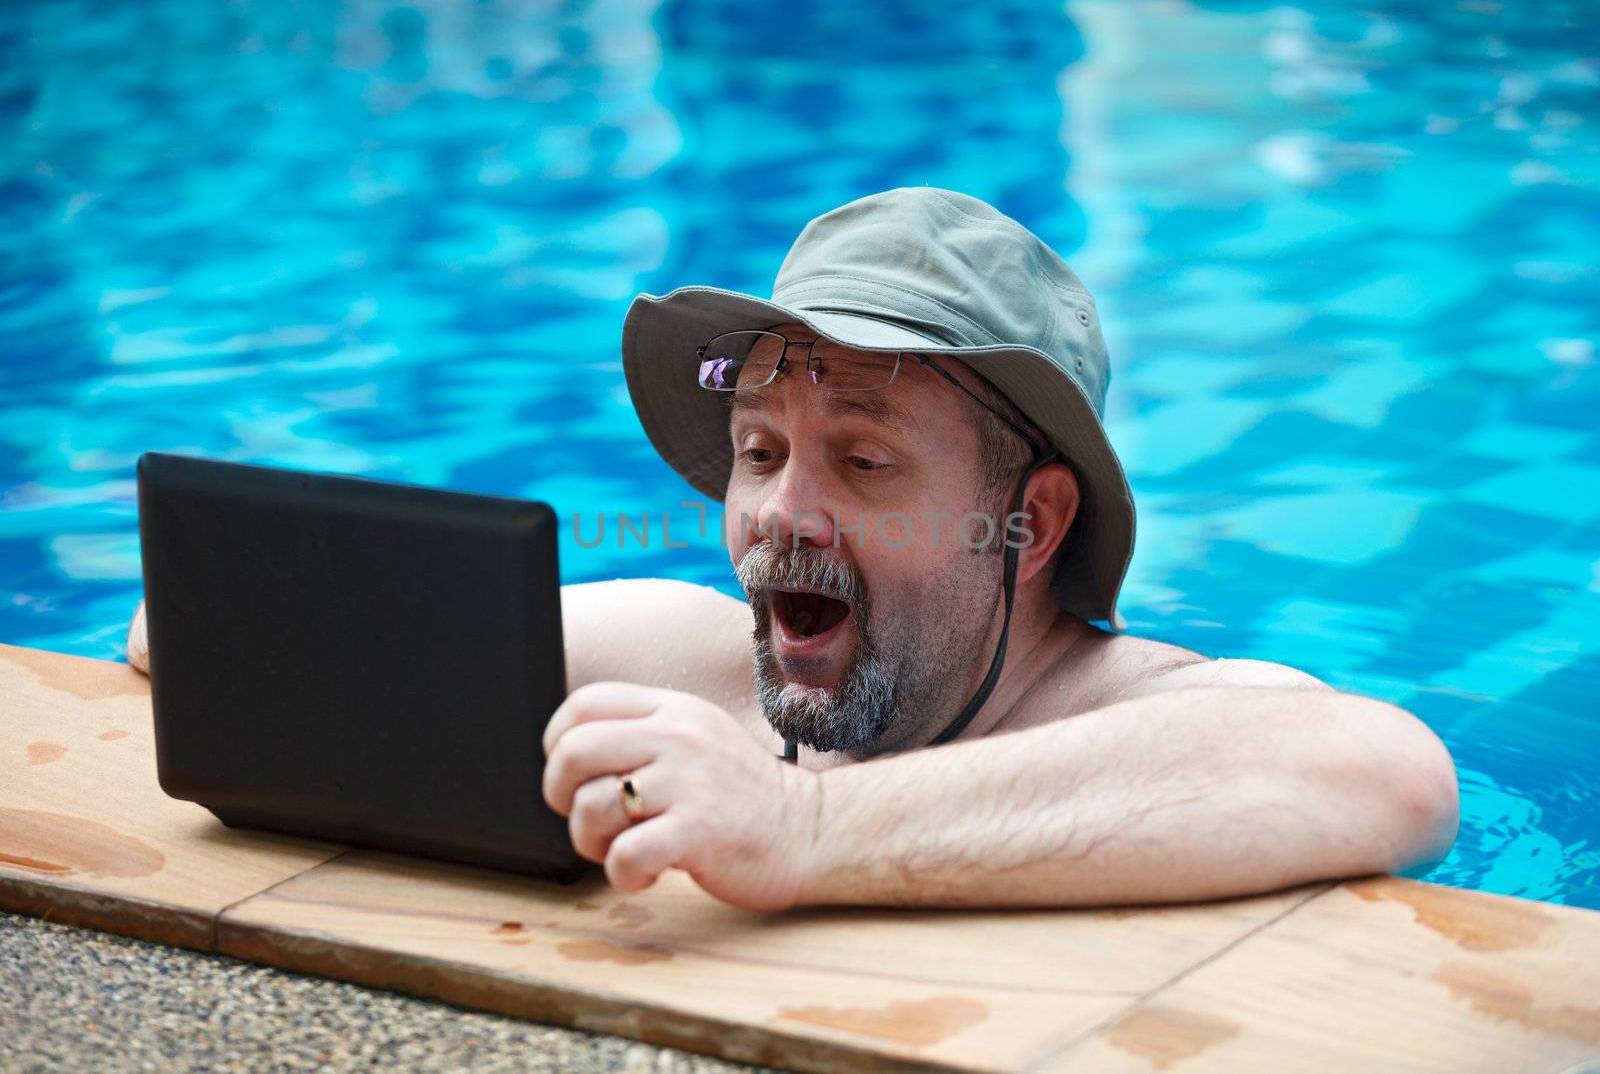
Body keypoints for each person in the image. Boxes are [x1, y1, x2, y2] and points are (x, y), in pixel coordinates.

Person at [126, 188, 1459, 913]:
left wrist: (808, 826)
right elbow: (185, 635)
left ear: (1032, 522)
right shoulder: (692, 666)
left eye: (866, 460)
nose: (781, 512)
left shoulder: (1138, 712)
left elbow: (1392, 769)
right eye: (760, 452)